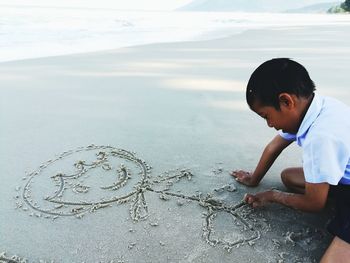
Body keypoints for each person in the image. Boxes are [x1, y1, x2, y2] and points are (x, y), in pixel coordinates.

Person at [231, 58, 350, 262]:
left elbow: (314, 203)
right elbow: (274, 146)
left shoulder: (320, 138)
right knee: (289, 177)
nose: (269, 124)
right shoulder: (317, 106)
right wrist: (254, 179)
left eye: (266, 116)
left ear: (286, 101)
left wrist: (273, 196)